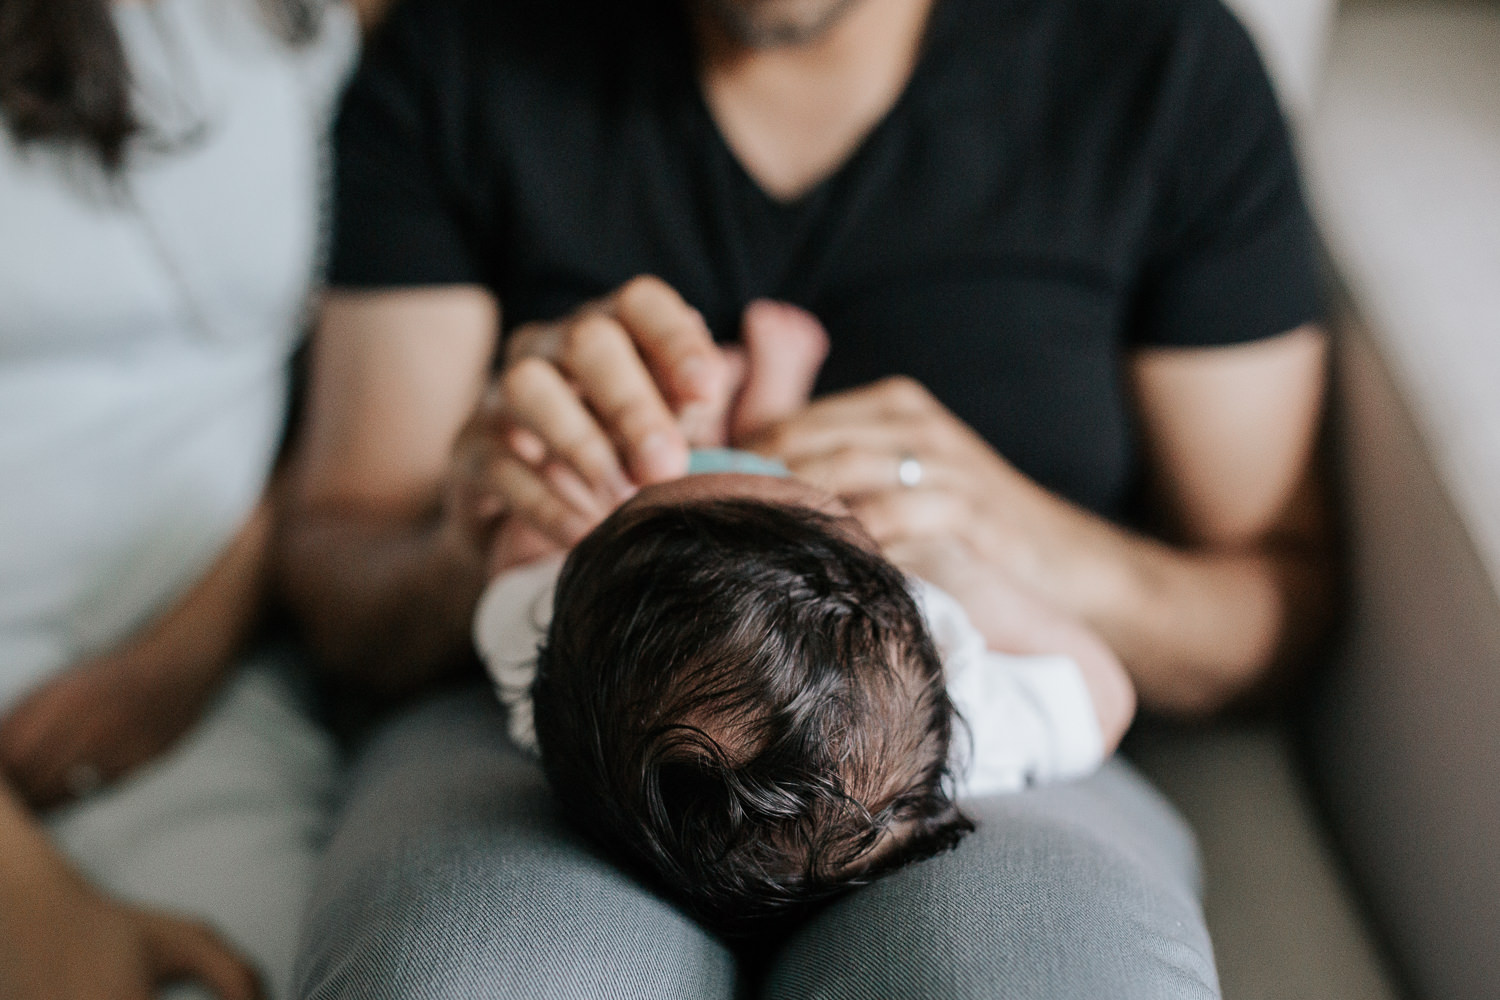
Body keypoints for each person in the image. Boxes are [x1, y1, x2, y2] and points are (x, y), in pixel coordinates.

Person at [283, 0, 1333, 995]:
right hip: (561, 743)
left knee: (1026, 973)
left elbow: (1276, 606)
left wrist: (1034, 548)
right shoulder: (465, 53)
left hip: (960, 778)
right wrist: (494, 529)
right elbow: (337, 570)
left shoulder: (1160, 64)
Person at [0, 0, 379, 996]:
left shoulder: (308, 25)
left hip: (183, 699)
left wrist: (182, 655)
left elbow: (340, 391)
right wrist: (25, 889)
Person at [475, 468, 1135, 936]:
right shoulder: (958, 694)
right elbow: (1104, 695)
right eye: (831, 505)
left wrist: (561, 491)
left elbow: (514, 556)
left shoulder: (552, 656)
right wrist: (971, 582)